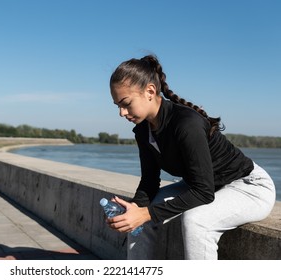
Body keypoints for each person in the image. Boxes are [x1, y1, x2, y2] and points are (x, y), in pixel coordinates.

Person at [106, 54, 276, 260]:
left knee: (196, 221)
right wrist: (136, 208)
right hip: (206, 186)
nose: (122, 113)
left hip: (249, 187)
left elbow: (203, 192)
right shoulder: (143, 130)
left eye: (126, 103)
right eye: (118, 106)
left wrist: (147, 213)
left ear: (150, 91)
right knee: (137, 214)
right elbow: (150, 180)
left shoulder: (186, 124)